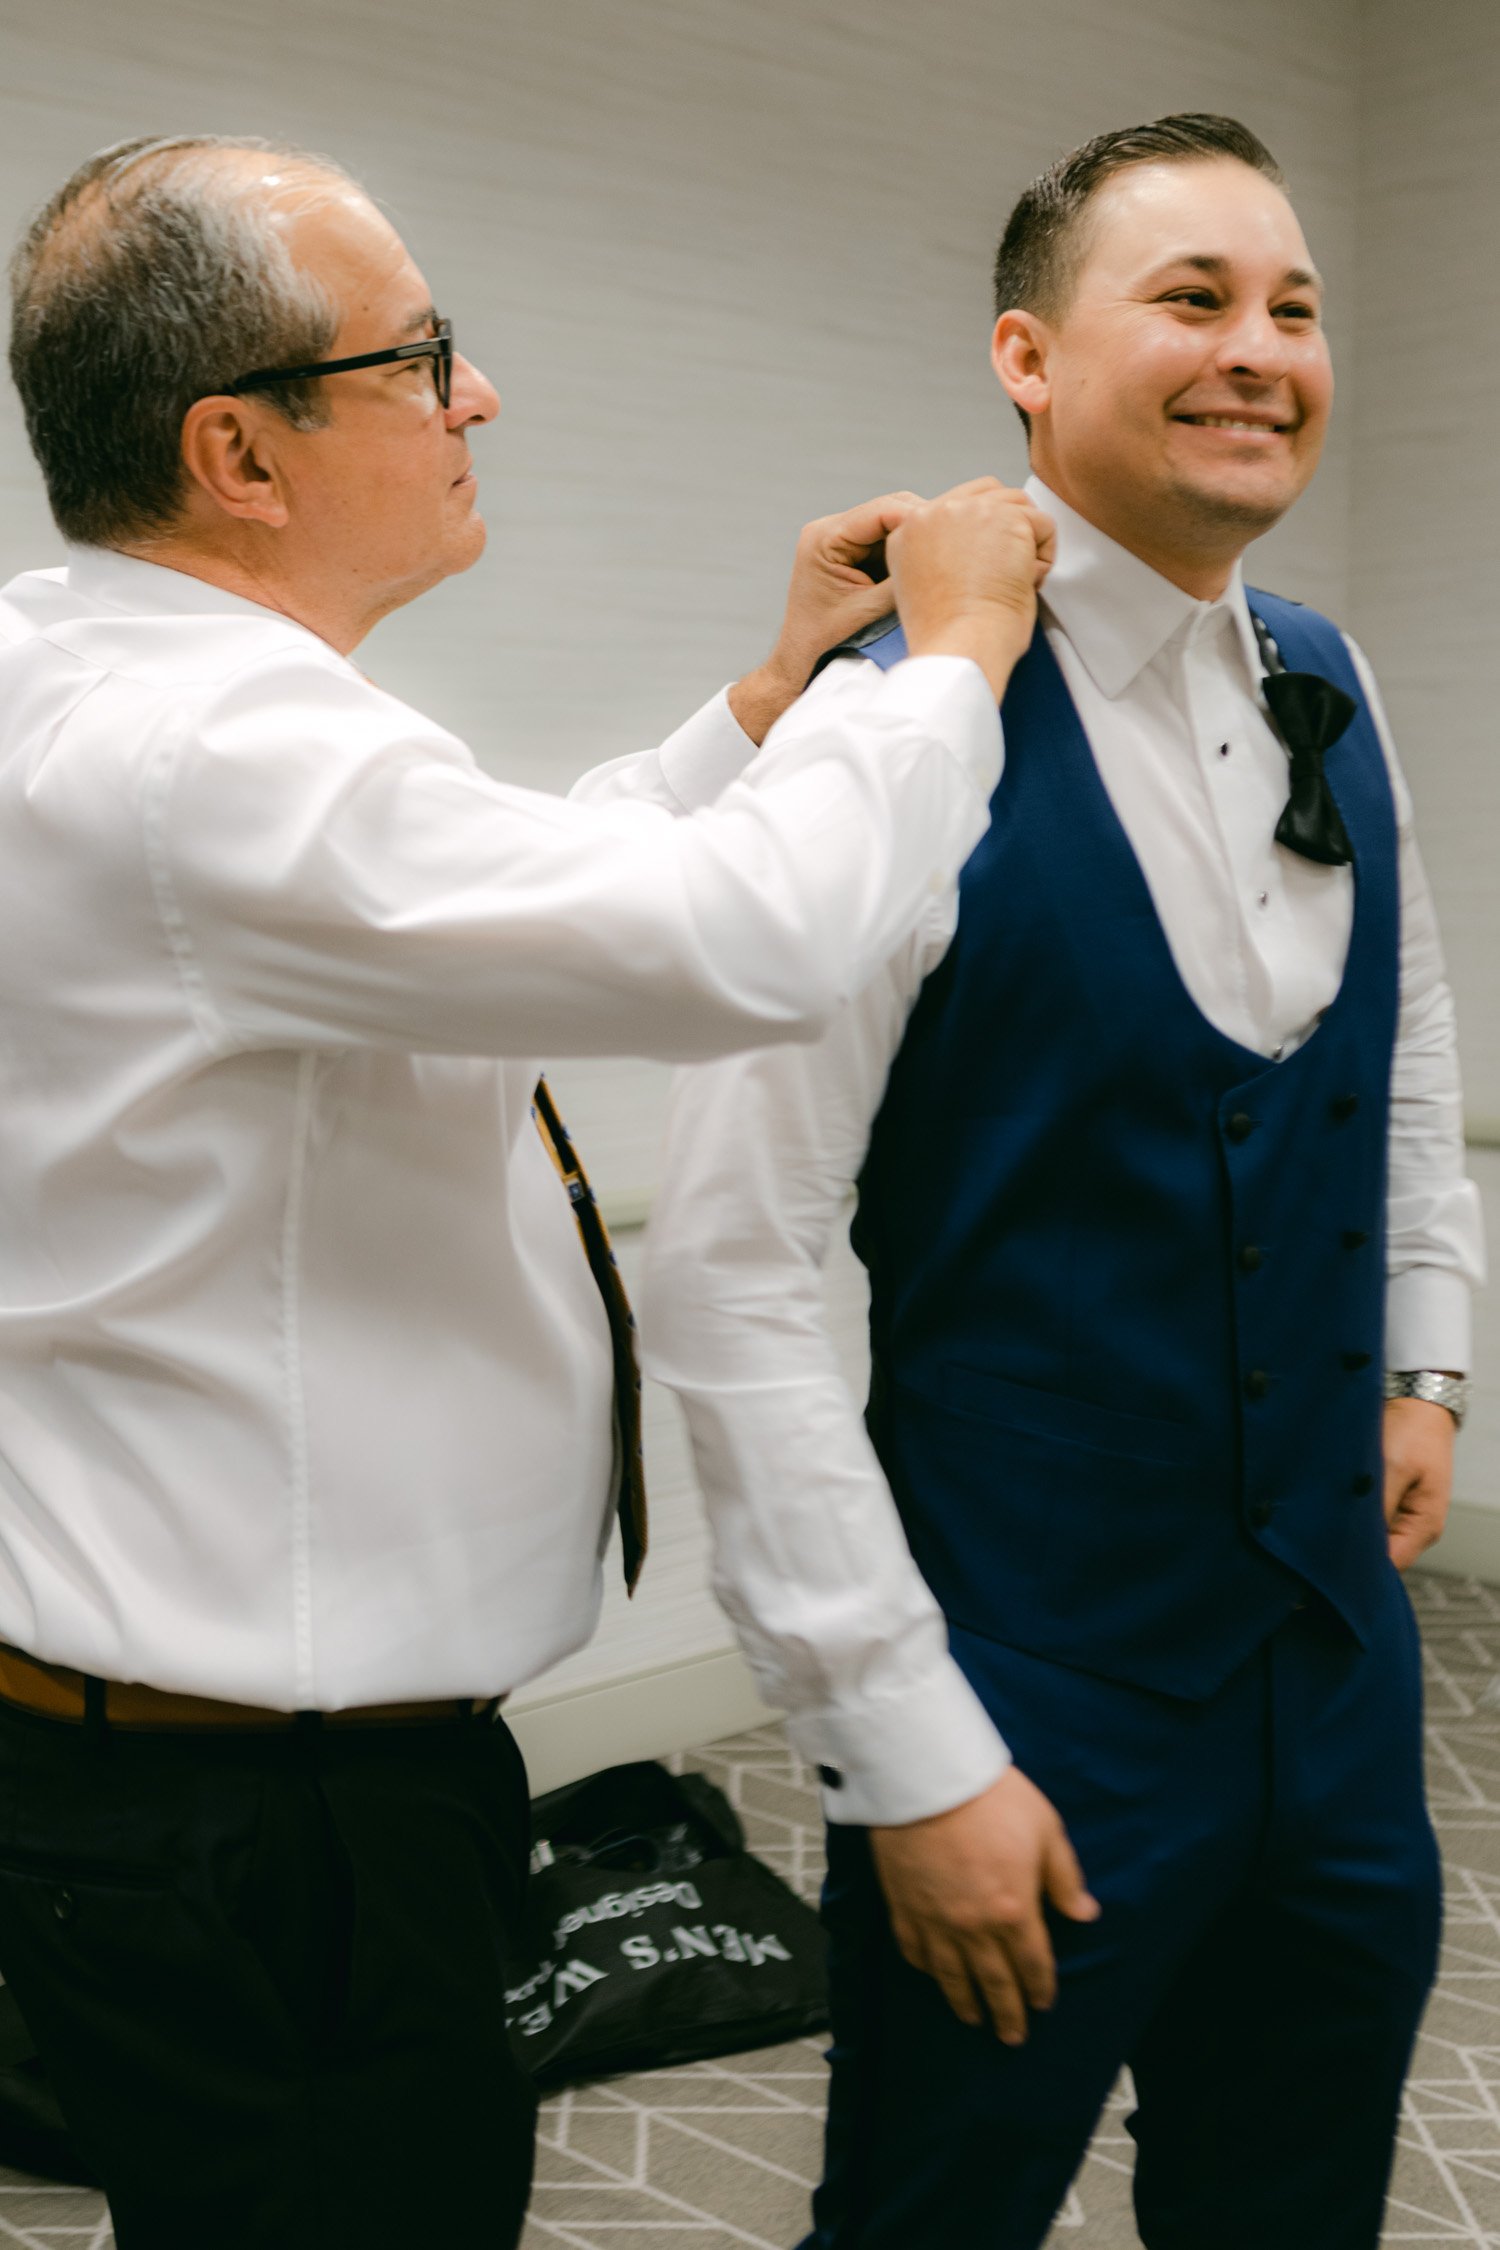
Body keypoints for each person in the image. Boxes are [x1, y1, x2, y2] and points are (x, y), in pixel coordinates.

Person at [0, 133, 1053, 2249]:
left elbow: (493, 917)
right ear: (241, 450)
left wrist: (759, 712)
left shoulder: (100, 683)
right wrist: (954, 654)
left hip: (157, 1778)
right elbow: (749, 946)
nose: (477, 396)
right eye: (424, 355)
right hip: (273, 1824)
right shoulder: (226, 761)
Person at [643, 113, 1486, 2249]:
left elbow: (1403, 1056)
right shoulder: (884, 727)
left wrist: (1428, 1360)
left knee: (1291, 2194)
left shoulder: (1330, 668)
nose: (1260, 351)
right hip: (1026, 1680)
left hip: (1331, 1662)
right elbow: (735, 1274)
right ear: (1028, 357)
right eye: (1191, 299)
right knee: (937, 2208)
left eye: (1294, 306)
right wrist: (897, 1750)